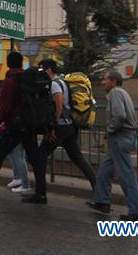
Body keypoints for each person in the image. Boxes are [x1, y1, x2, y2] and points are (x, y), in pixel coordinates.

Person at [0, 51, 48, 204]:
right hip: (29, 124)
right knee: (35, 158)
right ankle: (41, 193)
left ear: (7, 63)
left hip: (15, 126)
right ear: (21, 63)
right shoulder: (28, 79)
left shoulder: (10, 81)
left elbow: (5, 107)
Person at [87, 70, 138, 221]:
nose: (102, 82)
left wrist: (110, 129)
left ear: (113, 81)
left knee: (126, 174)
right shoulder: (123, 93)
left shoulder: (115, 93)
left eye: (105, 79)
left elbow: (120, 116)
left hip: (120, 135)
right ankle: (102, 201)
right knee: (105, 170)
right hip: (122, 135)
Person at [37, 59, 97, 189]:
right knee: (77, 157)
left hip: (60, 126)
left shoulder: (54, 84)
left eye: (41, 69)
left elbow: (59, 104)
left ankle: (40, 192)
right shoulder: (63, 81)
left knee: (40, 156)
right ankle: (97, 185)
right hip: (70, 125)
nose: (40, 72)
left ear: (48, 70)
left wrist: (52, 125)